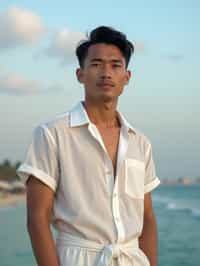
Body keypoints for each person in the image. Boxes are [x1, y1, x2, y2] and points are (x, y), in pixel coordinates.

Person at [17, 26, 160, 266]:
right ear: (80, 74)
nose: (106, 73)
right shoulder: (52, 134)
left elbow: (147, 218)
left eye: (116, 65)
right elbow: (37, 218)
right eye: (96, 64)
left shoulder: (140, 143)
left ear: (127, 77)